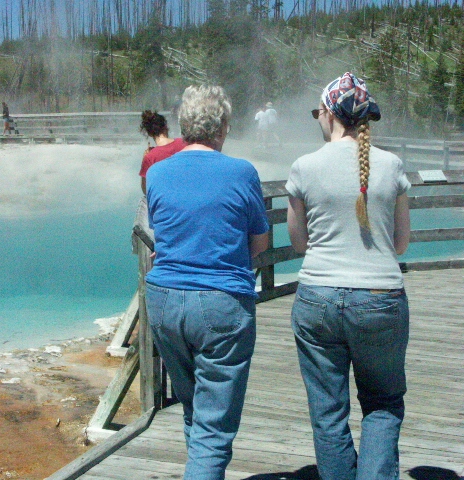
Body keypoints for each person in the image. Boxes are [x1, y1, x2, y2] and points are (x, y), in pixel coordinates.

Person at [285, 72, 411, 480]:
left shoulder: (303, 167)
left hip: (317, 298)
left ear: (328, 113)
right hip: (380, 298)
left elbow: (300, 243)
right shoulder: (392, 165)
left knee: (328, 411)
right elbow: (401, 244)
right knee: (382, 403)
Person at [145, 85, 270, 480]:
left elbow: (162, 232)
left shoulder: (157, 172)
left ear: (185, 125)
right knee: (213, 428)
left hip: (163, 301)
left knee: (194, 409)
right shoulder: (242, 172)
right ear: (222, 127)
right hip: (222, 303)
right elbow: (260, 242)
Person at [138, 110, 187, 194]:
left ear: (149, 134)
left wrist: (144, 160)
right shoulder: (184, 143)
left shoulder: (150, 157)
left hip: (167, 198)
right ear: (166, 127)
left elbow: (145, 190)